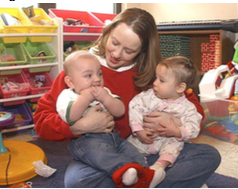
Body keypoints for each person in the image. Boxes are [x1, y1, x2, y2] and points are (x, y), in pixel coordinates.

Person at [34, 7, 221, 187]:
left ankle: (143, 178)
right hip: (101, 153)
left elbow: (195, 108)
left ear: (142, 51)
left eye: (129, 51)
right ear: (107, 33)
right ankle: (154, 181)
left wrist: (174, 120)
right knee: (78, 181)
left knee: (208, 155)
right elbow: (42, 122)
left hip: (144, 147)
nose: (116, 54)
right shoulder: (80, 70)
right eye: (114, 43)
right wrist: (75, 127)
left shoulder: (154, 72)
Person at [56, 50, 163, 187]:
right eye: (88, 75)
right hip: (85, 141)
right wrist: (85, 98)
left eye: (99, 74)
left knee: (131, 151)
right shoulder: (68, 96)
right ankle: (123, 170)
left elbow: (120, 111)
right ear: (70, 82)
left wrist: (106, 98)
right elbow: (71, 117)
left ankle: (142, 175)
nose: (96, 79)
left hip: (113, 138)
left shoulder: (104, 92)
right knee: (99, 155)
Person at [127, 56, 203, 183]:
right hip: (142, 140)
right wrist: (138, 129)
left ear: (179, 88)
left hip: (165, 143)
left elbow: (194, 126)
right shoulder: (148, 96)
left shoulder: (188, 107)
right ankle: (135, 171)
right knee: (127, 147)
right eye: (156, 78)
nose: (155, 83)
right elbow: (134, 106)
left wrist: (177, 131)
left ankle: (159, 167)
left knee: (176, 144)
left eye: (161, 80)